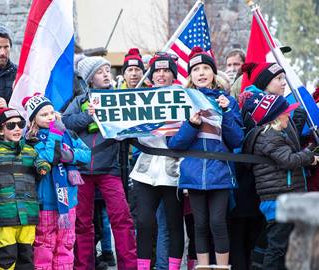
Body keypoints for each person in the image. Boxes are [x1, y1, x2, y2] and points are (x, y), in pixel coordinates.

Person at [167, 47, 243, 268]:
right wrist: (191, 125)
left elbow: (237, 140)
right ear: (190, 75)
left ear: (213, 73)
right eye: (196, 69)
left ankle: (221, 267)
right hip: (192, 175)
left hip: (219, 173)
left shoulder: (227, 101)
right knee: (199, 225)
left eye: (205, 68)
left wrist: (227, 112)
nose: (201, 73)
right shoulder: (182, 101)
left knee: (218, 223)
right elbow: (175, 145)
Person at [63, 56, 137, 270]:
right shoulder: (79, 101)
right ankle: (82, 266)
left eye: (107, 70)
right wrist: (88, 117)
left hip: (110, 171)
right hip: (82, 172)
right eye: (100, 71)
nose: (106, 74)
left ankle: (129, 266)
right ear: (89, 79)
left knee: (122, 219)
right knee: (82, 223)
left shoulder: (120, 98)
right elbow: (65, 123)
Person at [241, 92, 318, 269]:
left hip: (285, 198)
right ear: (275, 117)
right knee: (277, 248)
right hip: (279, 200)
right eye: (286, 113)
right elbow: (288, 160)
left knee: (286, 247)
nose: (288, 116)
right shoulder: (269, 137)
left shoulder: (276, 135)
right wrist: (309, 155)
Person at [22, 94, 91, 270]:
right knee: (45, 243)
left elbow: (87, 153)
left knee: (66, 243)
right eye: (43, 115)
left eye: (51, 112)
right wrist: (54, 135)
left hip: (68, 201)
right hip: (45, 201)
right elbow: (47, 157)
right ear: (33, 119)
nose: (50, 117)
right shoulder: (30, 139)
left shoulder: (68, 133)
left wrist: (71, 155)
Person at [130, 53, 184, 270]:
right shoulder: (139, 98)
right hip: (145, 170)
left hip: (174, 171)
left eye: (166, 70)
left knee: (173, 224)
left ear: (173, 74)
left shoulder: (184, 96)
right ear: (151, 75)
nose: (161, 74)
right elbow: (121, 132)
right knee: (143, 222)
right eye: (157, 71)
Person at [0, 108, 50, 269]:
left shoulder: (30, 150)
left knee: (26, 255)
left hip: (28, 212)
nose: (17, 129)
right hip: (5, 213)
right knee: (5, 254)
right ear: (1, 130)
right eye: (11, 125)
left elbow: (41, 162)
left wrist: (43, 166)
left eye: (20, 124)